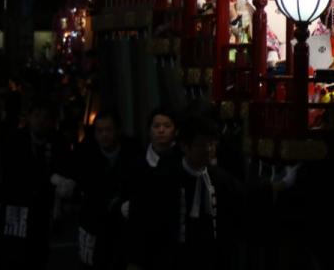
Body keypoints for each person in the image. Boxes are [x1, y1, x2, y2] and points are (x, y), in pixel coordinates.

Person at [127, 116, 244, 269]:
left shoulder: (222, 180)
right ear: (185, 146)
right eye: (201, 145)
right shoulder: (162, 178)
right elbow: (142, 222)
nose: (208, 149)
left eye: (211, 144)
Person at [0, 99, 68, 270]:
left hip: (42, 205)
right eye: (37, 116)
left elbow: (63, 167)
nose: (41, 120)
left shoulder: (56, 140)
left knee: (39, 252)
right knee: (13, 250)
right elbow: (7, 172)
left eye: (45, 117)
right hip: (17, 203)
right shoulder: (15, 139)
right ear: (29, 118)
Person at [71, 111, 138, 269]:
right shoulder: (86, 152)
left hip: (122, 223)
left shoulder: (132, 151)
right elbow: (85, 187)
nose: (104, 135)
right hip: (94, 221)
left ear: (117, 131)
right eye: (100, 131)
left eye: (109, 130)